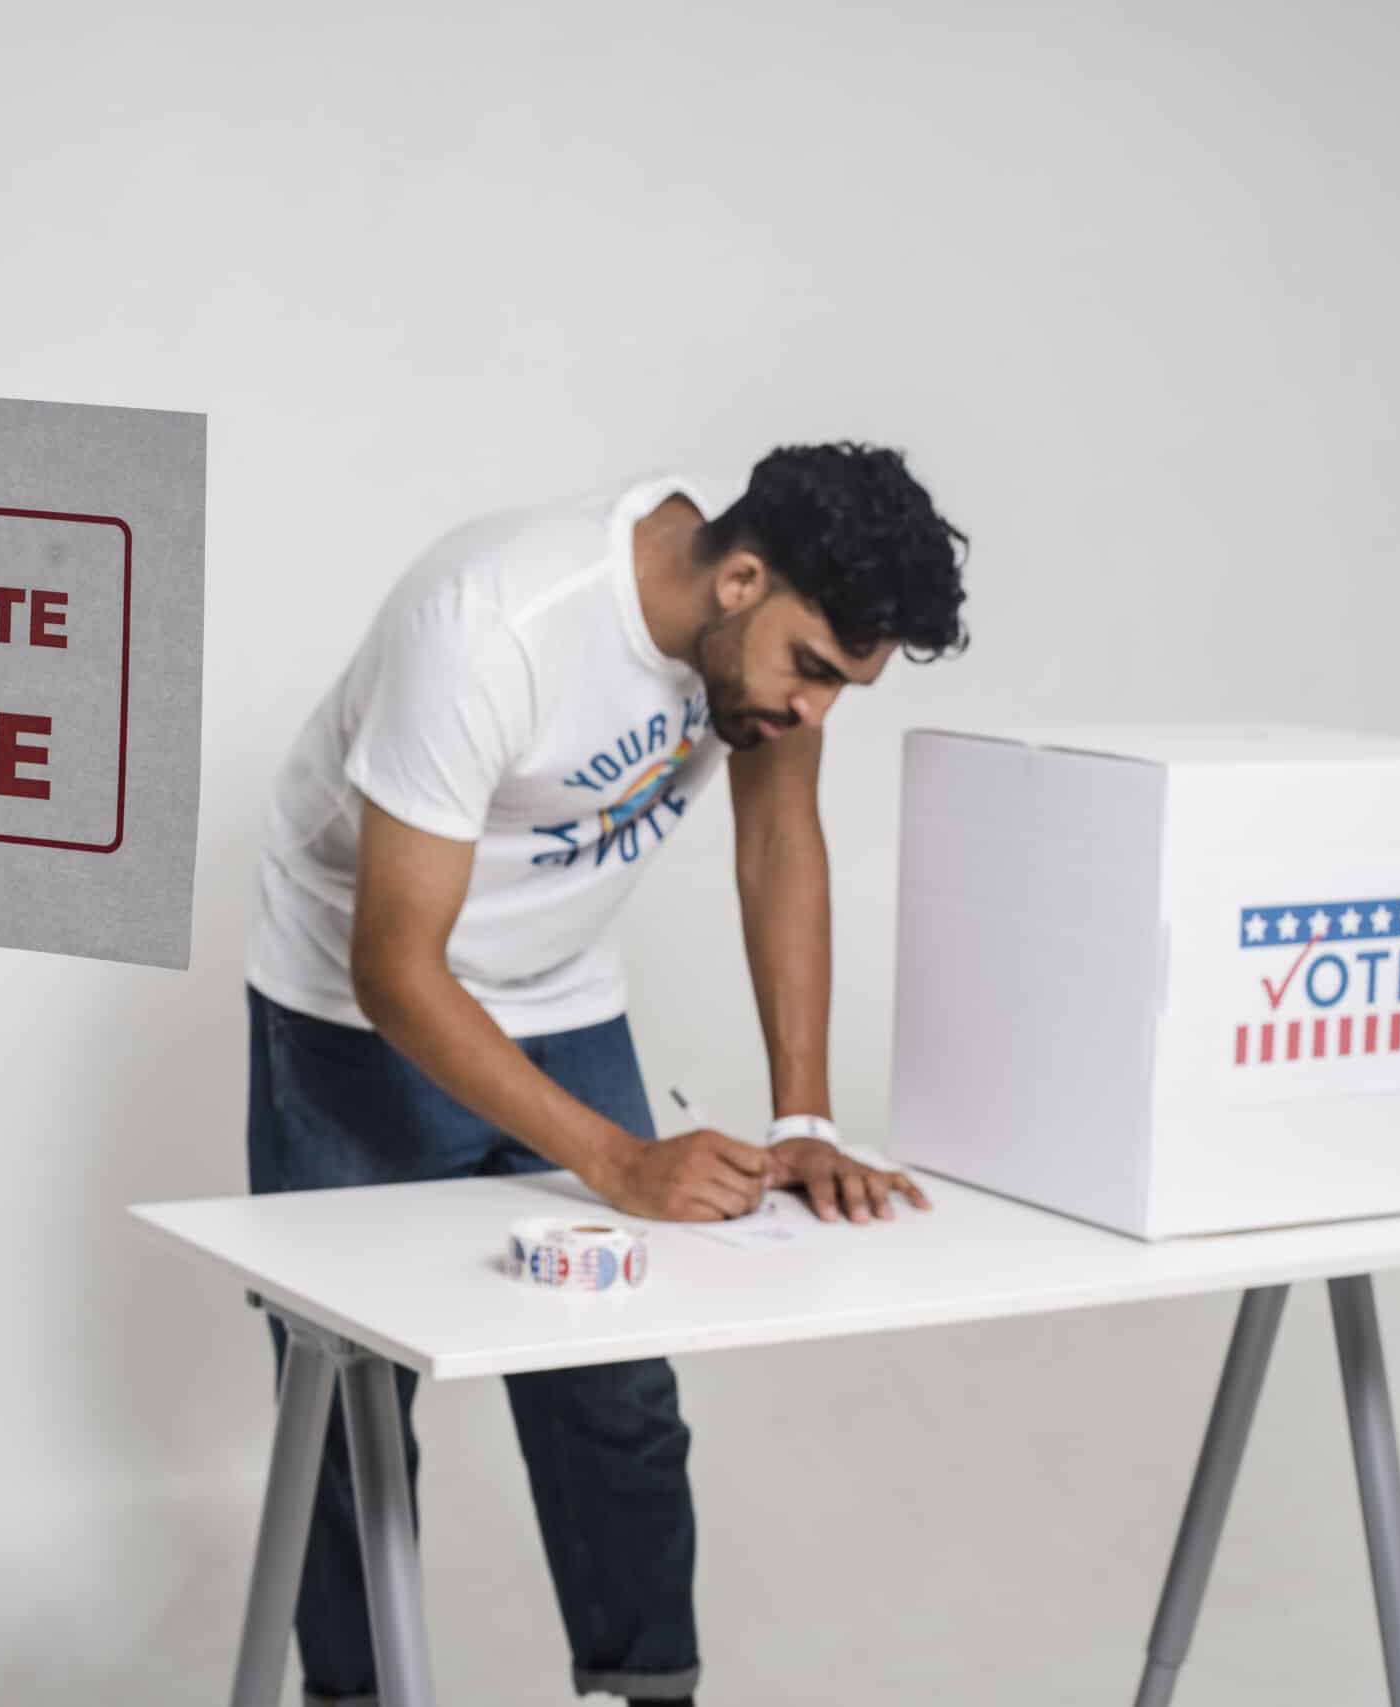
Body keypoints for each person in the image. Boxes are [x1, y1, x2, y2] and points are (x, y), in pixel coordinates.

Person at [244, 443, 970, 1704]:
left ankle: (645, 1696)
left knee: (618, 1395)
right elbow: (398, 971)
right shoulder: (491, 625)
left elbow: (780, 838)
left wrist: (802, 1114)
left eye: (846, 687)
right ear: (740, 579)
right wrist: (619, 1161)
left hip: (562, 992)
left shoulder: (762, 659)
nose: (813, 712)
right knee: (349, 1418)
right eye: (812, 670)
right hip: (356, 1009)